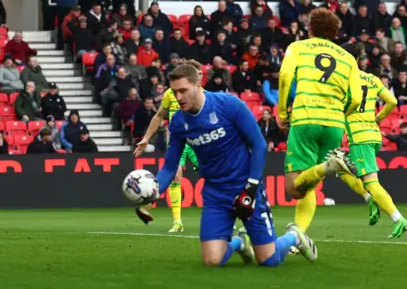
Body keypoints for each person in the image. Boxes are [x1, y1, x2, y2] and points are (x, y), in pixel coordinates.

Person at [135, 63, 318, 267]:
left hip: (246, 187)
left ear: (198, 84)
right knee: (212, 261)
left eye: (183, 91)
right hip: (215, 194)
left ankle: (294, 236)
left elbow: (258, 144)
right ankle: (240, 243)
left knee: (269, 260)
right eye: (174, 92)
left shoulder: (229, 105)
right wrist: (151, 194)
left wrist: (251, 186)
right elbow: (170, 167)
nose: (178, 97)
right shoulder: (178, 122)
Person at [278, 8, 363, 236]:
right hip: (335, 124)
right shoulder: (347, 58)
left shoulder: (297, 47)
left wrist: (282, 112)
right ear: (335, 32)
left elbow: (285, 76)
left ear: (310, 28)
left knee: (294, 190)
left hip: (306, 119)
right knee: (309, 186)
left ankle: (330, 165)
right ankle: (298, 237)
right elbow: (356, 98)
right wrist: (339, 114)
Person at [331, 69, 406, 237]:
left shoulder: (344, 78)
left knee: (371, 183)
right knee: (338, 165)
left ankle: (398, 219)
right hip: (373, 135)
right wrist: (378, 118)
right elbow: (392, 101)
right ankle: (369, 198)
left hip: (360, 138)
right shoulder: (372, 79)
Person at [134, 60, 201, 233]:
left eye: (199, 73)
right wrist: (146, 138)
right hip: (177, 140)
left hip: (198, 140)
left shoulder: (204, 96)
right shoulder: (170, 94)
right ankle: (177, 222)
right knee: (175, 175)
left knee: (213, 175)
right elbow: (158, 116)